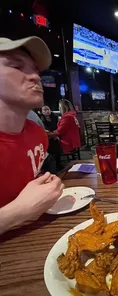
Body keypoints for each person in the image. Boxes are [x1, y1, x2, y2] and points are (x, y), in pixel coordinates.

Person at [0, 36, 63, 234]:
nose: (35, 77)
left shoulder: (38, 135)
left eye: (36, 70)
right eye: (17, 66)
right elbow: (23, 207)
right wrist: (18, 211)